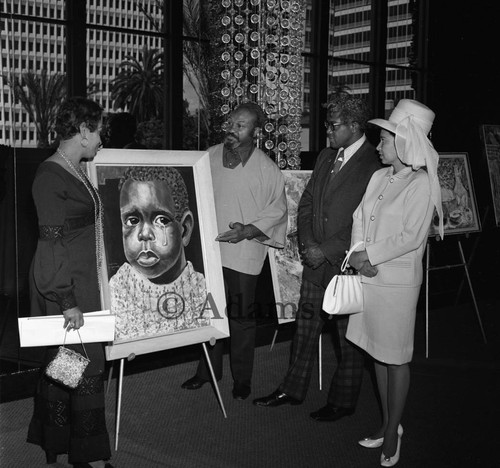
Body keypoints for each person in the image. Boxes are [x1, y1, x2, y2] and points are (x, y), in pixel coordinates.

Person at [253, 94, 381, 421]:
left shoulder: (374, 165)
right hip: (315, 266)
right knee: (305, 330)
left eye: (332, 125)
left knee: (347, 340)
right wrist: (309, 244)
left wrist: (324, 250)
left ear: (354, 126)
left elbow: (366, 222)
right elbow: (307, 202)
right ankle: (291, 389)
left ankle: (342, 401)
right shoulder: (326, 156)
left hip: (346, 268)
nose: (327, 131)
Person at [346, 99, 443, 467]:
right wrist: (358, 254)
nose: (378, 145)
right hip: (369, 277)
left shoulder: (421, 184)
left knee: (395, 358)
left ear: (404, 142)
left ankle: (392, 433)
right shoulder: (378, 177)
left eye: (385, 139)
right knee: (377, 353)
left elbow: (410, 237)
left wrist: (367, 256)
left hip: (397, 285)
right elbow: (359, 218)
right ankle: (389, 423)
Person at [27, 97, 113, 468]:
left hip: (82, 281)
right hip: (65, 285)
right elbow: (51, 243)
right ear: (82, 131)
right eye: (98, 132)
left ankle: (55, 439)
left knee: (66, 365)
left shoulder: (75, 168)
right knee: (86, 366)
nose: (101, 140)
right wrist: (66, 299)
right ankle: (87, 456)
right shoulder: (50, 175)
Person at [181, 102, 287, 400]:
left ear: (255, 132)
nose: (231, 128)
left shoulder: (267, 169)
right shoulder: (208, 157)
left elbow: (277, 211)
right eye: (230, 122)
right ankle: (208, 372)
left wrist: (248, 230)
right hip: (209, 252)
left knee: (240, 318)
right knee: (209, 314)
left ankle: (242, 379)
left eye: (240, 125)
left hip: (244, 254)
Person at [109, 166, 209, 341]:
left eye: (161, 220)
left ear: (185, 229)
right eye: (132, 220)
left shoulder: (202, 291)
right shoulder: (116, 291)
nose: (145, 234)